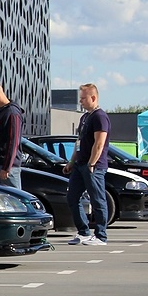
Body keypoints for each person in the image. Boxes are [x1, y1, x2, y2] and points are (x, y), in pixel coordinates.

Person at [63, 83, 110, 246]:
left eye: (83, 98)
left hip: (93, 166)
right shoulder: (84, 117)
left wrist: (92, 163)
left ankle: (101, 236)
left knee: (97, 200)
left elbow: (99, 143)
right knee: (72, 197)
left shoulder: (100, 117)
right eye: (80, 98)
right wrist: (71, 161)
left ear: (93, 98)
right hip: (80, 164)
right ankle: (83, 232)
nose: (80, 101)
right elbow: (79, 142)